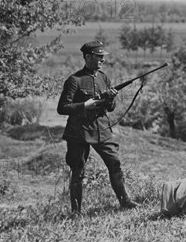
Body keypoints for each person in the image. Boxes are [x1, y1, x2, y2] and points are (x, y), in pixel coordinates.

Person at [57, 40, 139, 217]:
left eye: (103, 56)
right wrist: (84, 105)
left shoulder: (103, 78)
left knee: (114, 163)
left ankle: (125, 201)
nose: (102, 59)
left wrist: (110, 99)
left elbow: (110, 108)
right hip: (78, 132)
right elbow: (62, 108)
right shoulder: (74, 80)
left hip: (102, 128)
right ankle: (76, 213)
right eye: (99, 56)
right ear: (88, 57)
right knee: (78, 171)